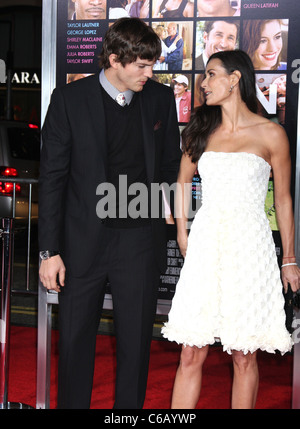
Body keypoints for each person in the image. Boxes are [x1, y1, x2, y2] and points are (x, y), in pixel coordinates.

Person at [39, 17, 181, 409]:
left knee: (136, 346)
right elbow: (52, 178)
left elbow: (169, 163)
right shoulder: (69, 99)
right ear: (115, 59)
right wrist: (48, 251)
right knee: (74, 342)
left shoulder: (158, 99)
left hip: (139, 239)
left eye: (152, 65)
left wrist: (161, 210)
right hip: (83, 240)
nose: (149, 74)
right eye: (142, 66)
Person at [162, 49, 300, 409]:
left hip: (250, 248)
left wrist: (289, 259)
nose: (203, 83)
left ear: (234, 78)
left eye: (210, 75)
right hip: (206, 244)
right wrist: (182, 232)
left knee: (243, 354)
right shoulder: (202, 131)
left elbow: (283, 200)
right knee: (191, 351)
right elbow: (181, 182)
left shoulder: (272, 134)